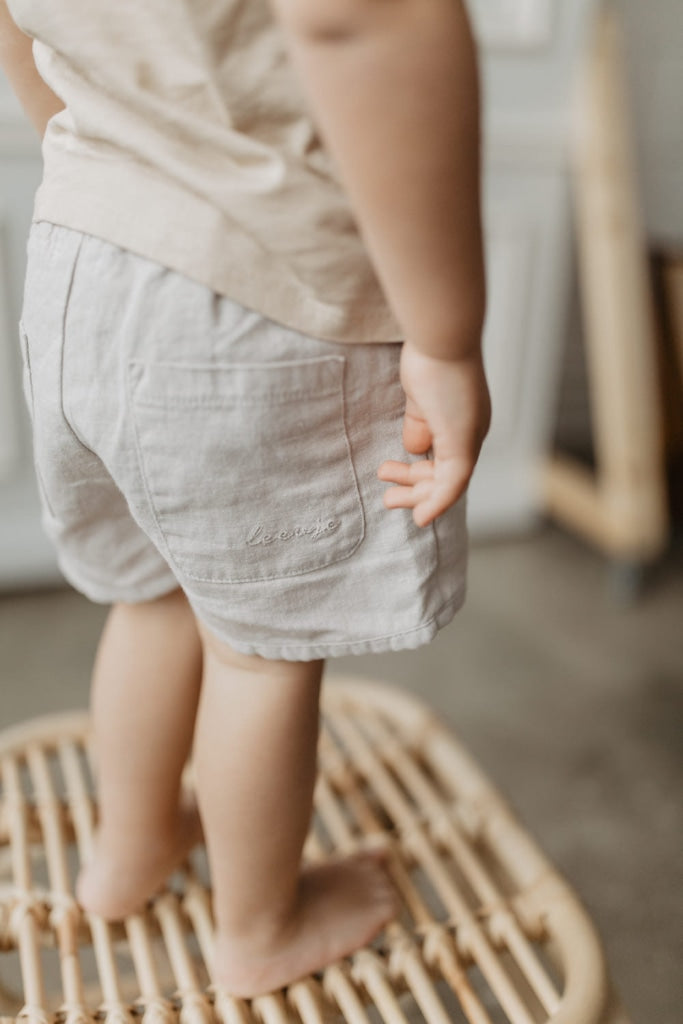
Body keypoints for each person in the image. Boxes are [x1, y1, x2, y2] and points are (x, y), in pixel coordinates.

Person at [0, 0, 490, 999]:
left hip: (76, 258)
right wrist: (444, 335)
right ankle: (260, 924)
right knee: (260, 648)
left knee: (155, 590)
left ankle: (127, 853)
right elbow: (362, 17)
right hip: (254, 291)